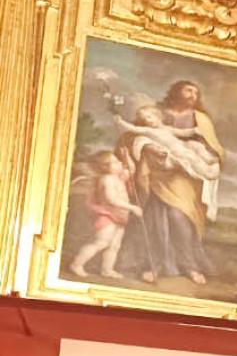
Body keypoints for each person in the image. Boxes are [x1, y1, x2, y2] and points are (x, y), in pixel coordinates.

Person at [117, 79, 221, 284]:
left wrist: (203, 155)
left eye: (196, 92)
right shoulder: (153, 113)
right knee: (156, 219)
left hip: (186, 179)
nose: (192, 95)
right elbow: (130, 137)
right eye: (188, 90)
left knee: (180, 218)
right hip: (157, 174)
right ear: (176, 91)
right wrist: (146, 146)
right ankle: (154, 266)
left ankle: (190, 266)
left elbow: (214, 148)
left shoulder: (200, 119)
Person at [68, 151, 144, 279]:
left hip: (120, 216)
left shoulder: (118, 177)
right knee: (102, 242)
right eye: (115, 162)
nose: (120, 163)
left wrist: (127, 156)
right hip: (108, 216)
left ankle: (107, 270)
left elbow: (131, 169)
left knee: (115, 245)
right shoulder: (107, 179)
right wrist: (132, 207)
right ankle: (77, 264)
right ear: (105, 166)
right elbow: (111, 199)